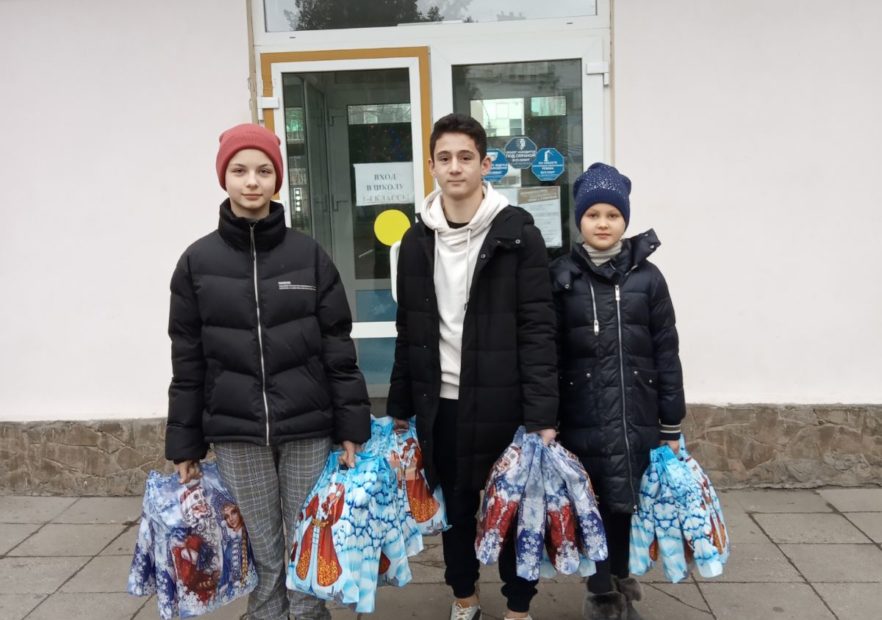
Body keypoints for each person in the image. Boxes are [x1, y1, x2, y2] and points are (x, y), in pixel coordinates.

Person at [165, 123, 371, 620]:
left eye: (263, 170)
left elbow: (337, 347)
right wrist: (185, 442)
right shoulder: (197, 262)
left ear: (278, 178)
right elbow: (188, 359)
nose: (252, 181)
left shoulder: (308, 256)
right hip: (236, 432)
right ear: (224, 178)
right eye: (240, 170)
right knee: (262, 550)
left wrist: (352, 426)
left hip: (307, 427)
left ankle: (307, 615)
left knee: (308, 540)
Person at [387, 113, 558, 620]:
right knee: (456, 511)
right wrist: (399, 406)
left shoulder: (518, 235)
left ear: (485, 165)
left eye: (466, 157)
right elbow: (409, 328)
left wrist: (542, 414)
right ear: (432, 167)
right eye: (444, 158)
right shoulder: (416, 241)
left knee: (514, 510)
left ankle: (519, 607)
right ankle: (464, 597)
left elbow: (538, 328)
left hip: (506, 403)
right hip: (443, 405)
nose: (455, 167)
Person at [550, 163, 686, 620]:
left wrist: (671, 422)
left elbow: (666, 351)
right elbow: (548, 355)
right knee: (592, 509)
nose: (603, 223)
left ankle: (620, 584)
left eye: (612, 214)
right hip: (582, 419)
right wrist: (545, 419)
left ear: (625, 219)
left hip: (636, 416)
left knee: (626, 507)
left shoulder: (649, 279)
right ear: (579, 220)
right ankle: (601, 596)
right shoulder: (561, 278)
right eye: (593, 215)